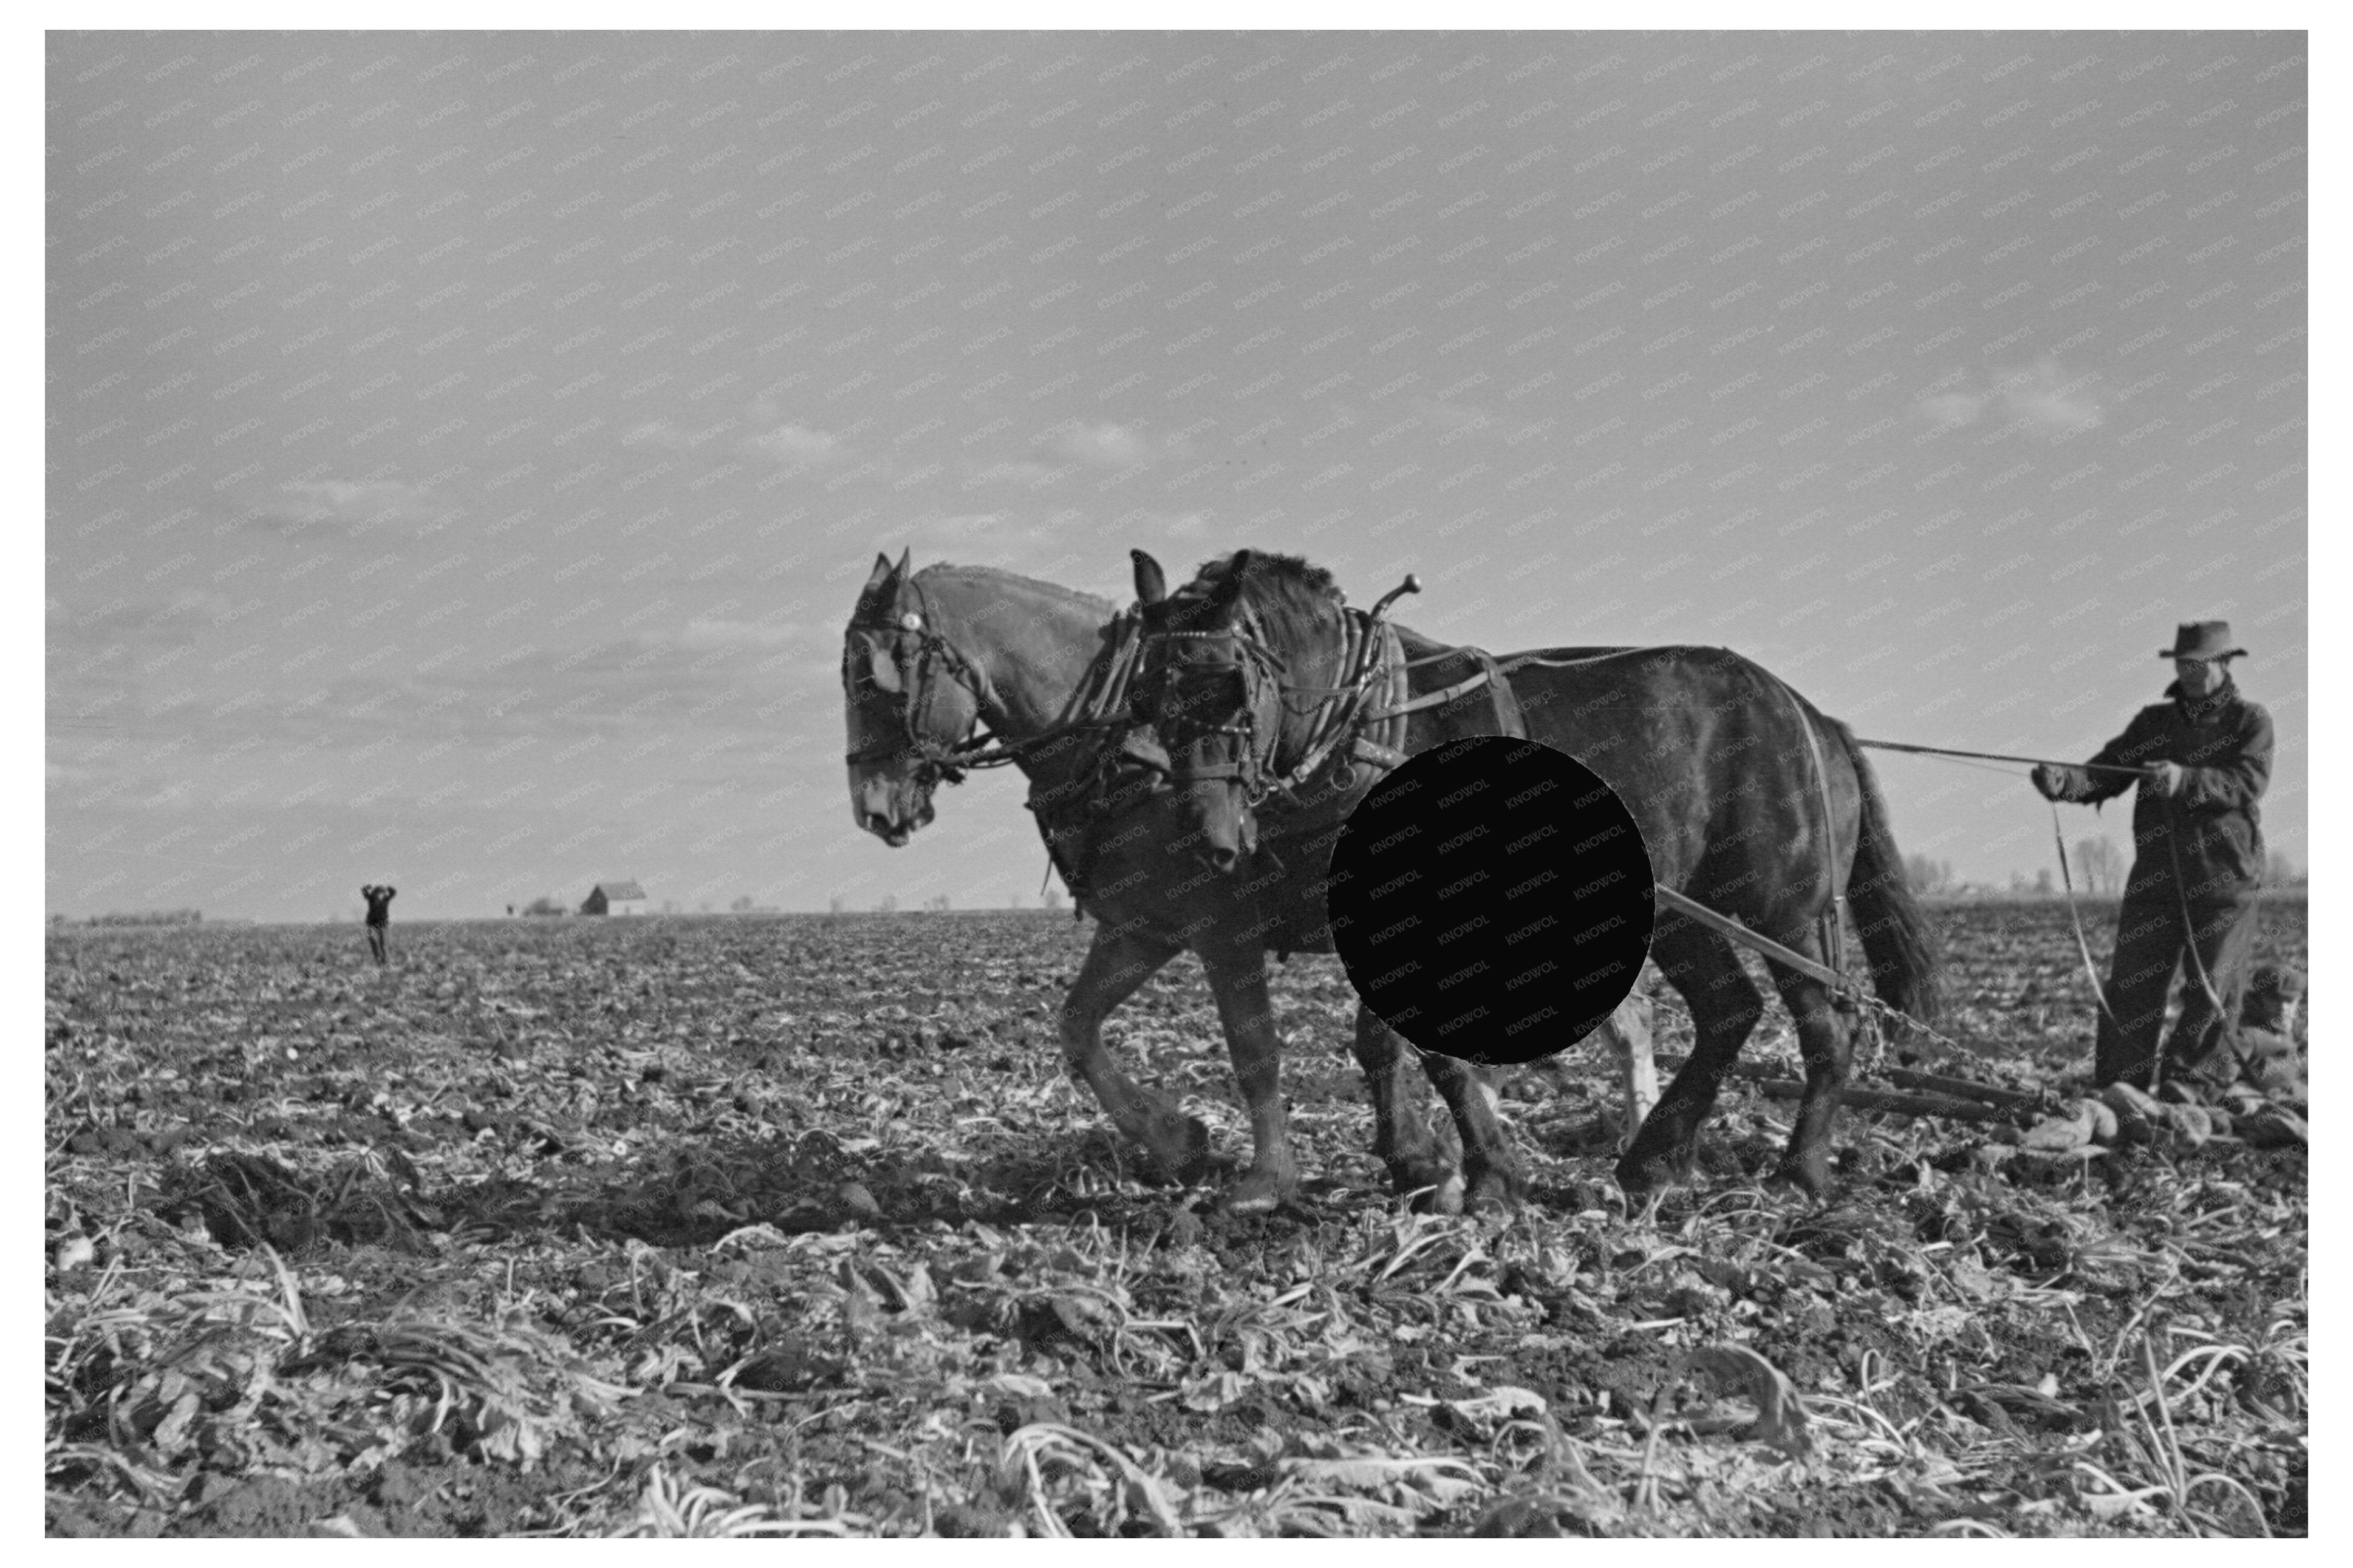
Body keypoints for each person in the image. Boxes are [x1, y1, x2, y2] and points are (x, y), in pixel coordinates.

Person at [2032, 622, 2273, 1097]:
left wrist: (2186, 780)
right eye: (2184, 664)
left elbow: (2248, 781)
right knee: (2133, 986)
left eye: (2200, 664)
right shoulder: (2154, 724)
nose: (2190, 672)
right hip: (2157, 879)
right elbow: (2107, 771)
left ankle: (2192, 1084)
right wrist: (2066, 781)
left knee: (2211, 991)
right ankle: (2122, 1083)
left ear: (2225, 664)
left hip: (2225, 880)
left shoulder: (2252, 721)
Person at [361, 884, 396, 965]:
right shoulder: (372, 898)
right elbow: (364, 893)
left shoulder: (386, 899)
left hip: (384, 924)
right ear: (376, 893)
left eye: (382, 893)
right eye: (379, 893)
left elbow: (393, 893)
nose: (380, 895)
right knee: (373, 941)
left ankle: (387, 961)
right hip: (372, 924)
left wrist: (389, 888)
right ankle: (378, 958)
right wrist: (366, 888)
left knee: (384, 944)